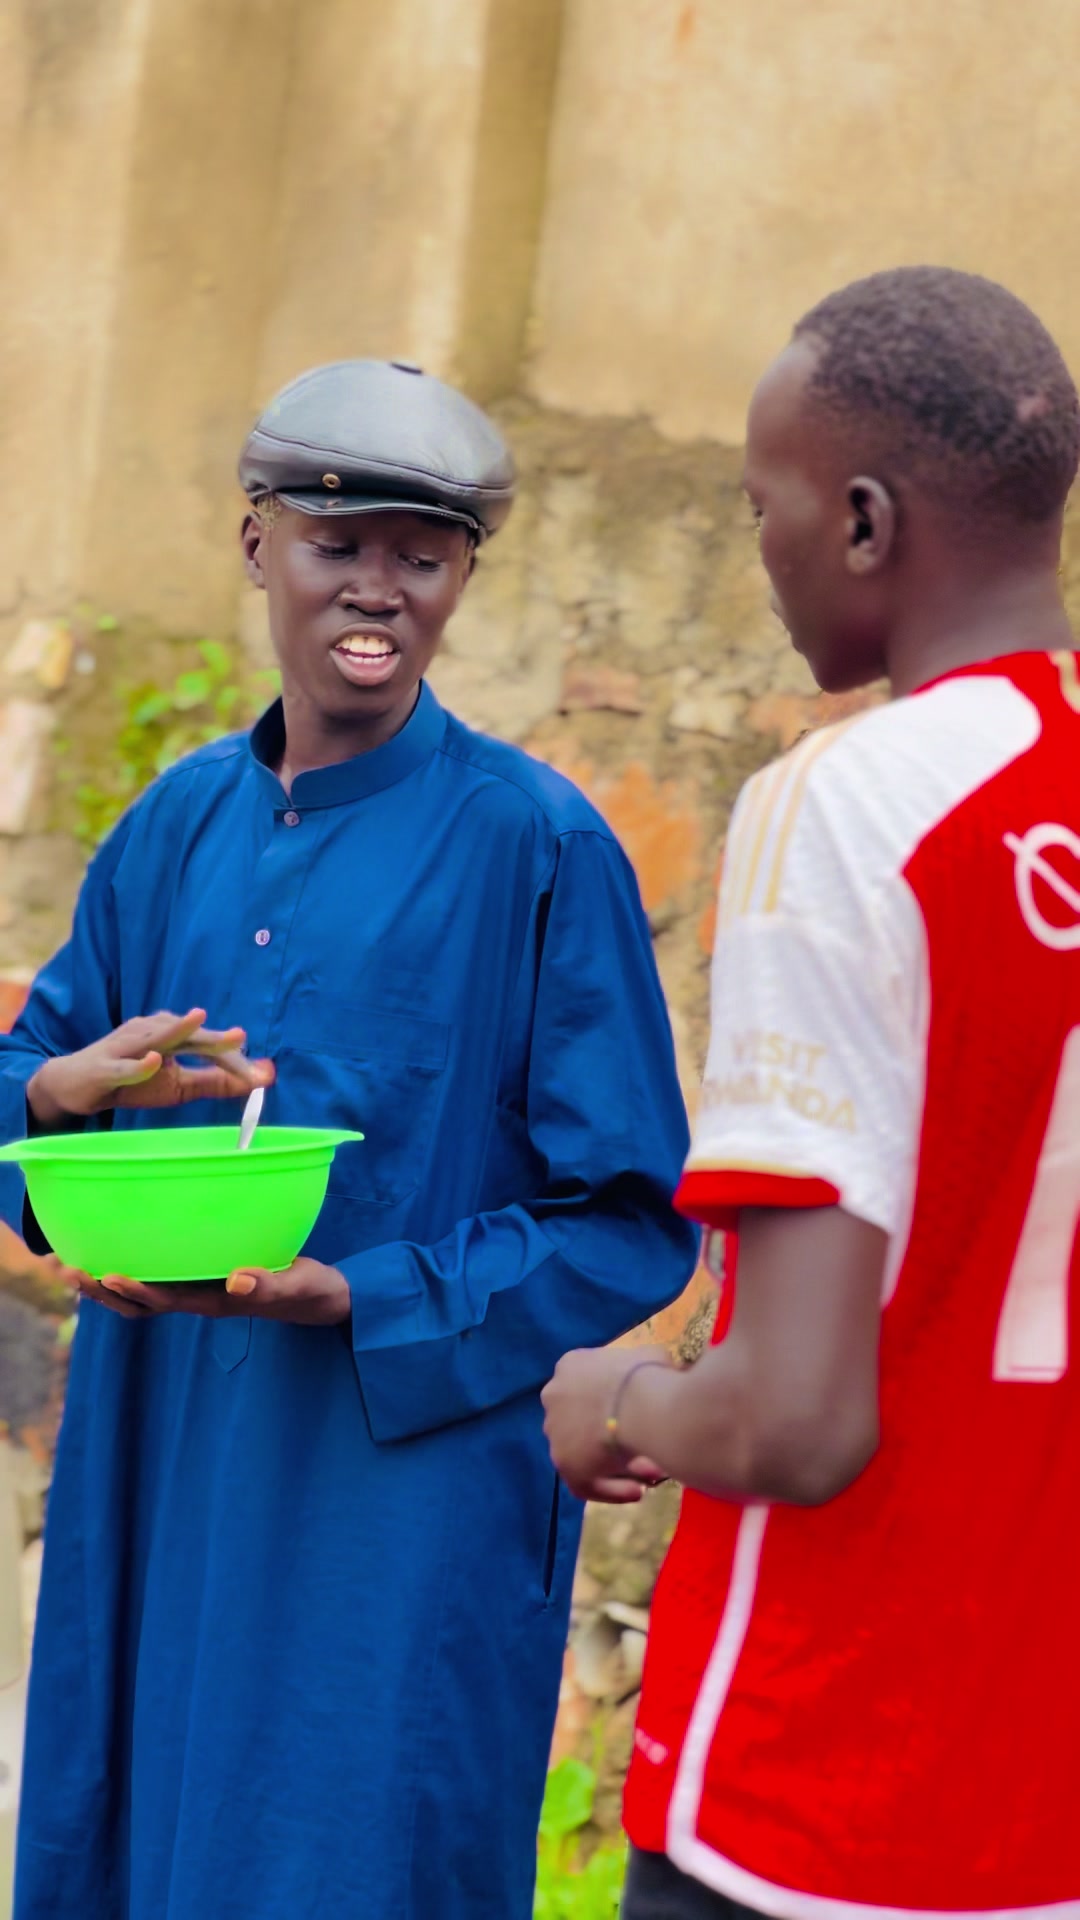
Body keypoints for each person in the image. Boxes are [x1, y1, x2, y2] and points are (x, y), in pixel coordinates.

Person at [1, 359, 698, 1920]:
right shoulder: (175, 827)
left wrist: (366, 1295)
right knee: (135, 1848)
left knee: (348, 1862)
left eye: (423, 556)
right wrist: (56, 1101)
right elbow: (27, 1078)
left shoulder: (535, 845)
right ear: (259, 544)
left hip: (393, 1527)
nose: (378, 588)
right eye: (338, 545)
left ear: (464, 578)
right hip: (158, 1476)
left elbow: (633, 1216)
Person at [543, 267, 1080, 1918]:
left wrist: (613, 1401)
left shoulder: (850, 808)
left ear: (860, 522)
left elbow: (796, 1419)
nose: (757, 545)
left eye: (758, 503)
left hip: (826, 1793)